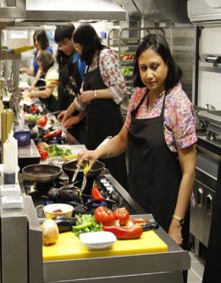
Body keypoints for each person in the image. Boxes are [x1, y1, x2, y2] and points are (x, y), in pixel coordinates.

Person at [78, 33, 196, 249]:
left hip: (167, 206)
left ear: (167, 64)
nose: (149, 75)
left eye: (155, 66)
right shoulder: (138, 97)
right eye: (143, 68)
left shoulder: (178, 104)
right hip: (138, 200)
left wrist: (177, 222)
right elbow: (123, 139)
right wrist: (98, 152)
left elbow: (189, 170)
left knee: (165, 277)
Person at [58, 24, 128, 188]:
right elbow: (82, 97)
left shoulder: (106, 56)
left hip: (109, 126)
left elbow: (120, 90)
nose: (76, 49)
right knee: (95, 171)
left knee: (112, 172)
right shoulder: (91, 62)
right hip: (95, 128)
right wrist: (67, 112)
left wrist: (94, 94)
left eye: (77, 45)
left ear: (86, 43)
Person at [54, 24, 86, 143]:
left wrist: (78, 117)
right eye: (59, 45)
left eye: (64, 43)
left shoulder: (81, 60)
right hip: (69, 113)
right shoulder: (65, 59)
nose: (61, 48)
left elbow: (86, 94)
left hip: (81, 118)